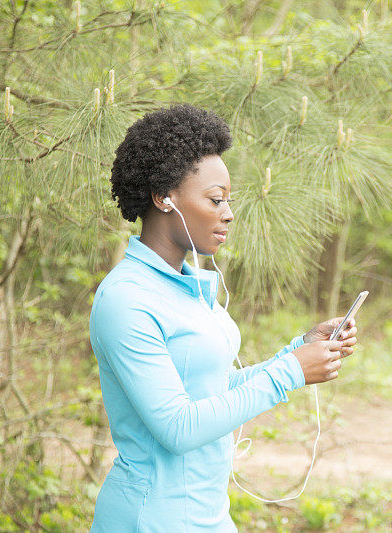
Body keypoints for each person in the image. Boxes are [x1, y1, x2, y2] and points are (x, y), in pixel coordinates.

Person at [89, 104, 357, 532]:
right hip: (153, 519)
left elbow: (210, 389)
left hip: (209, 516)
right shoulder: (126, 299)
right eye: (215, 200)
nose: (228, 212)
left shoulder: (189, 286)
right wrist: (289, 372)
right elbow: (177, 426)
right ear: (164, 198)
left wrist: (296, 354)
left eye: (229, 201)